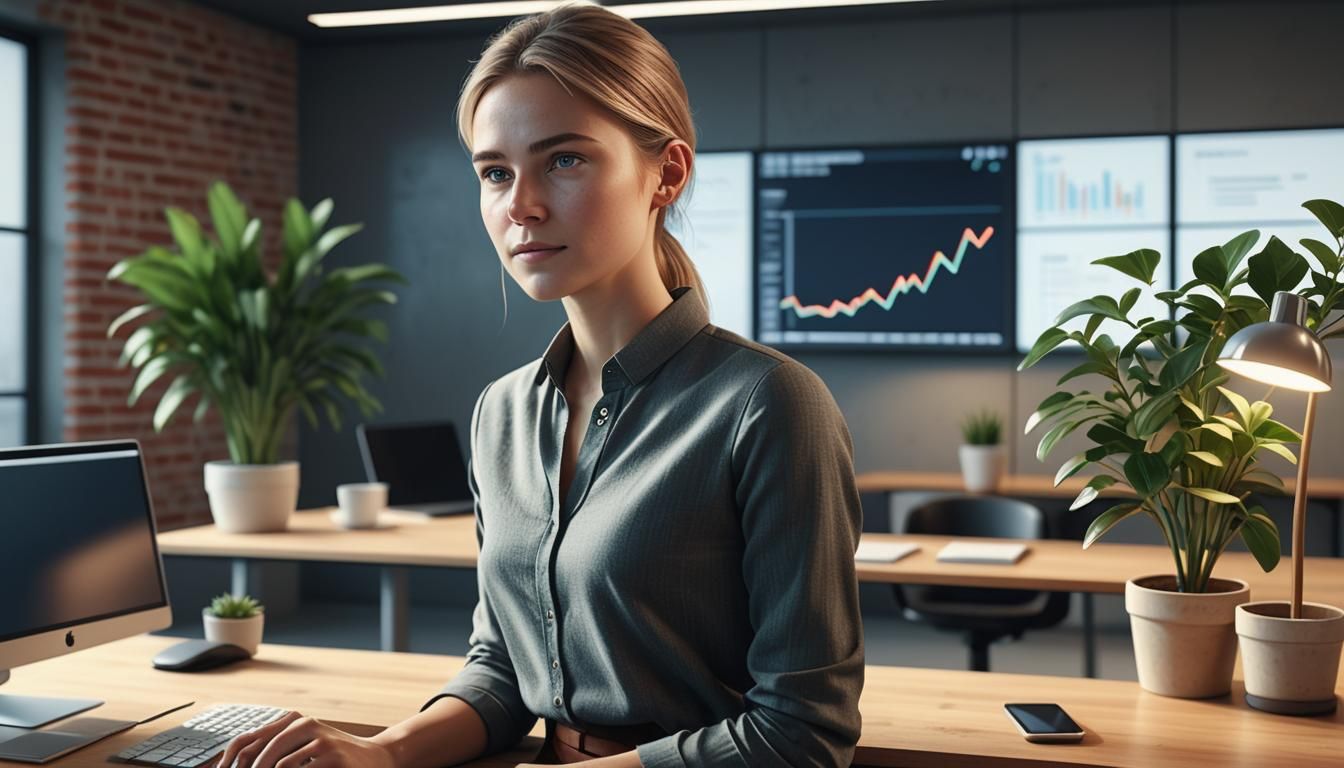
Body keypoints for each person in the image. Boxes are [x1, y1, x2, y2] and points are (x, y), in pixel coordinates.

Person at [214, 4, 863, 767]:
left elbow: (802, 733)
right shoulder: (504, 413)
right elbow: (503, 668)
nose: (520, 205)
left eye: (563, 161)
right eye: (495, 173)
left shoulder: (769, 404)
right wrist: (380, 752)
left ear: (668, 173)